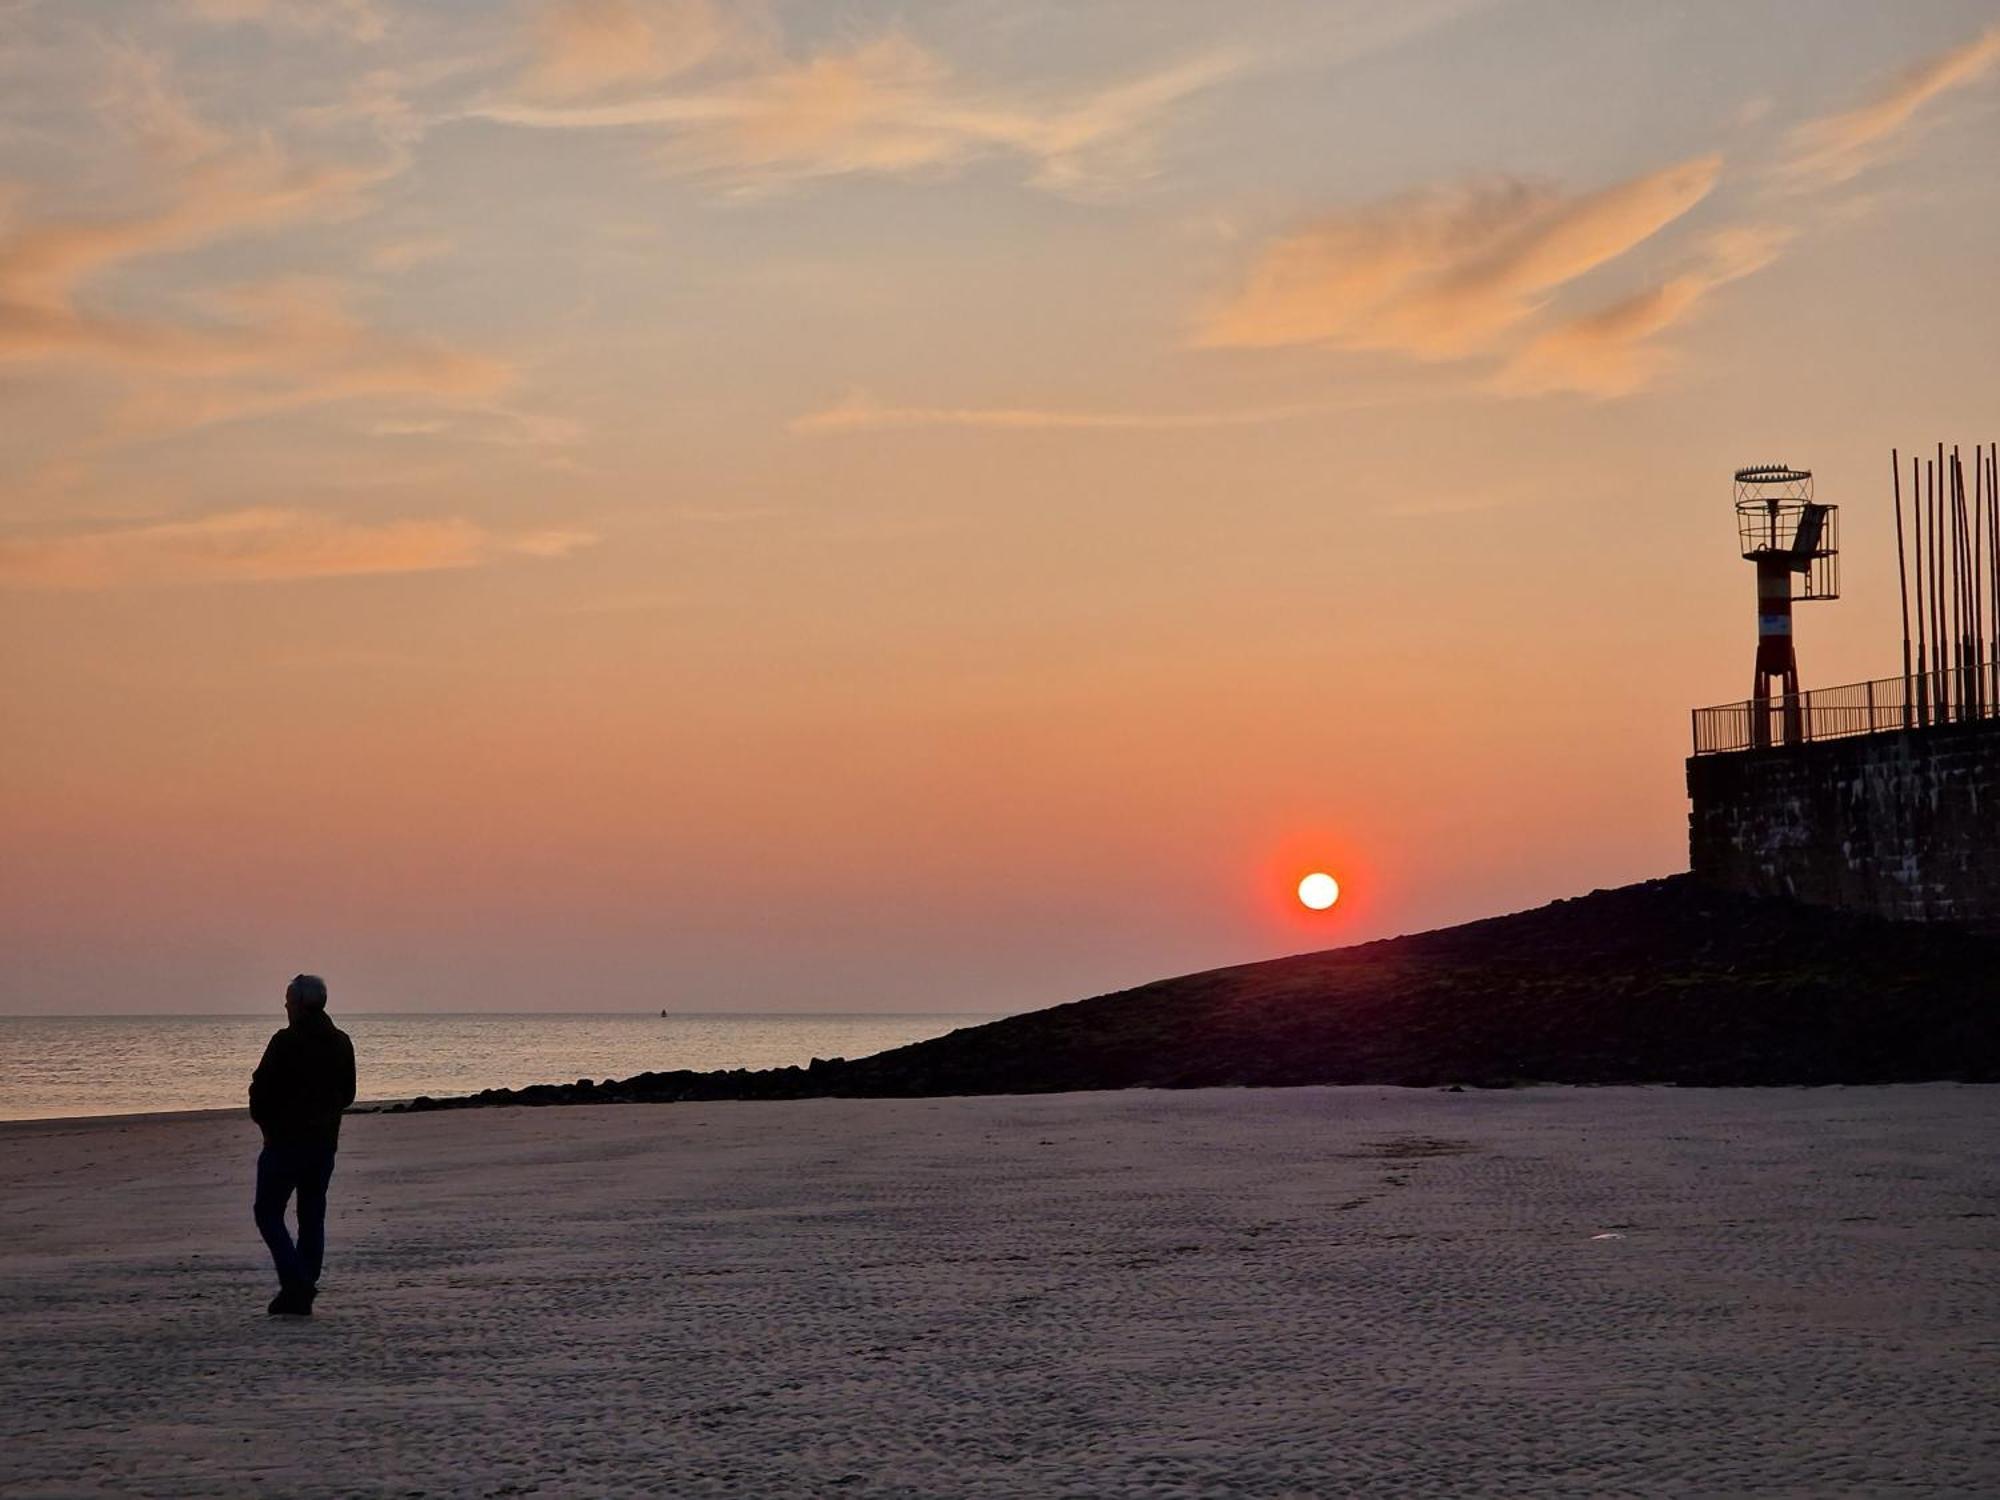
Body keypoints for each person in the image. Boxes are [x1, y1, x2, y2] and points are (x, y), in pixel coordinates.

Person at [249, 974, 356, 1317]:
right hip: (322, 1144)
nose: (284, 1006)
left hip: (285, 1143)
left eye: (287, 1001)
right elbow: (348, 1094)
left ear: (298, 1005)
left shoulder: (285, 1041)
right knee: (311, 1216)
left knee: (267, 1212)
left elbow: (260, 1089)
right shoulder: (341, 1042)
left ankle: (297, 1282)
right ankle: (300, 1284)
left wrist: (267, 1125)